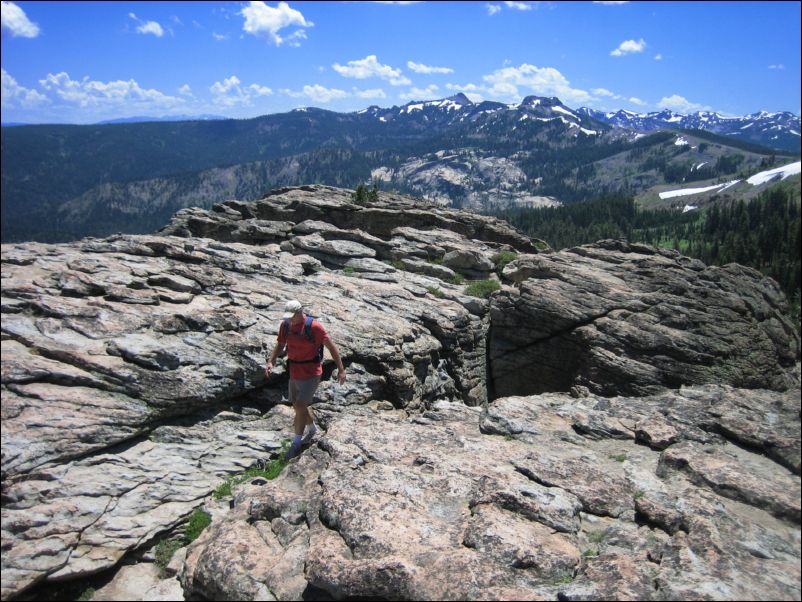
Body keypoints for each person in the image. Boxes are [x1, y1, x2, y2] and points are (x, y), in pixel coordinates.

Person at [265, 300, 346, 459]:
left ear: (300, 311)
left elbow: (331, 347)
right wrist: (271, 361)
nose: (289, 319)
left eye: (292, 316)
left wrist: (341, 370)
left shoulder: (314, 327)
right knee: (298, 406)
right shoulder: (286, 325)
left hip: (311, 372)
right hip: (295, 371)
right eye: (287, 316)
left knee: (300, 405)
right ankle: (312, 429)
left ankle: (296, 443)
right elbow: (280, 344)